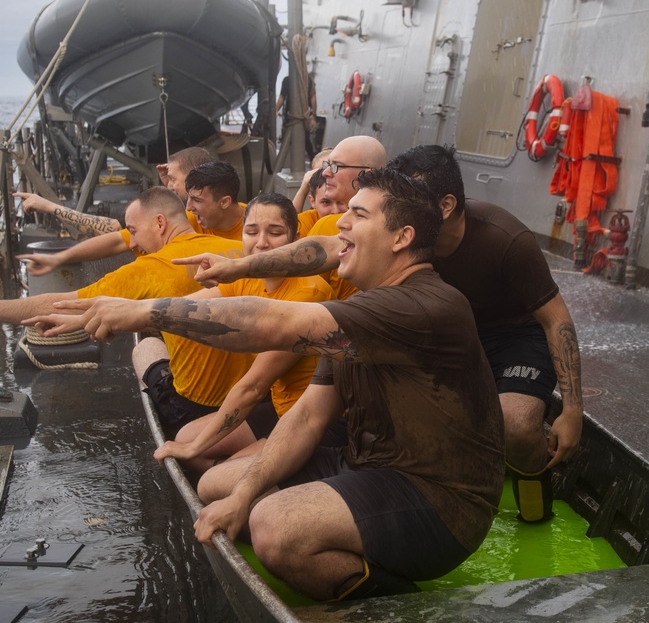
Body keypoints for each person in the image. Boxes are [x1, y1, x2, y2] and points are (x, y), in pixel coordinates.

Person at [60, 169, 506, 600]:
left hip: (440, 498)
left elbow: (272, 323)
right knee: (218, 486)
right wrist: (245, 495)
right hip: (367, 462)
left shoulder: (425, 305)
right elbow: (309, 415)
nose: (341, 224)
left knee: (275, 527)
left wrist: (143, 313)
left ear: (402, 238)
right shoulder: (366, 307)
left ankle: (400, 607)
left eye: (359, 215)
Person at [388, 144, 583, 522]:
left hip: (517, 339)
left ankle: (534, 503)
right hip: (453, 337)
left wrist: (573, 410)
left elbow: (557, 320)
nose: (398, 212)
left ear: (445, 206)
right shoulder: (405, 236)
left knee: (517, 425)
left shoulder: (506, 239)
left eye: (411, 200)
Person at [15, 187, 253, 436]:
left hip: (197, 406)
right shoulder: (241, 252)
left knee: (145, 347)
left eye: (135, 232)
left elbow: (59, 302)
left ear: (160, 223)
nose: (133, 243)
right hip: (253, 395)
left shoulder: (151, 268)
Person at [152, 193, 333, 475]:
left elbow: (253, 387)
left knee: (206, 472)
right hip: (277, 405)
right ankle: (245, 471)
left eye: (275, 233)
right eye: (252, 232)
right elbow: (188, 308)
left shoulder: (308, 293)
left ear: (296, 238)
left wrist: (195, 449)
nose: (261, 243)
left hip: (308, 418)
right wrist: (120, 311)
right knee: (185, 438)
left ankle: (262, 480)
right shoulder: (247, 278)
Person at [181, 135, 386, 302]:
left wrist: (239, 267)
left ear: (366, 174)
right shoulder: (334, 223)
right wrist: (237, 267)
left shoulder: (385, 221)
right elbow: (324, 249)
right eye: (251, 232)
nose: (325, 173)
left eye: (336, 166)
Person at [16, 149, 222, 276]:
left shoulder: (239, 227)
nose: (169, 186)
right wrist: (60, 257)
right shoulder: (186, 219)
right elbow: (116, 236)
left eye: (173, 179)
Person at [276, 73, 319, 158]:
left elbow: (282, 97)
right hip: (301, 116)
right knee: (305, 140)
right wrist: (313, 115)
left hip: (291, 116)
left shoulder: (287, 80)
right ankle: (312, 160)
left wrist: (276, 110)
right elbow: (313, 98)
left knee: (288, 139)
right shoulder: (308, 80)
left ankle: (281, 160)